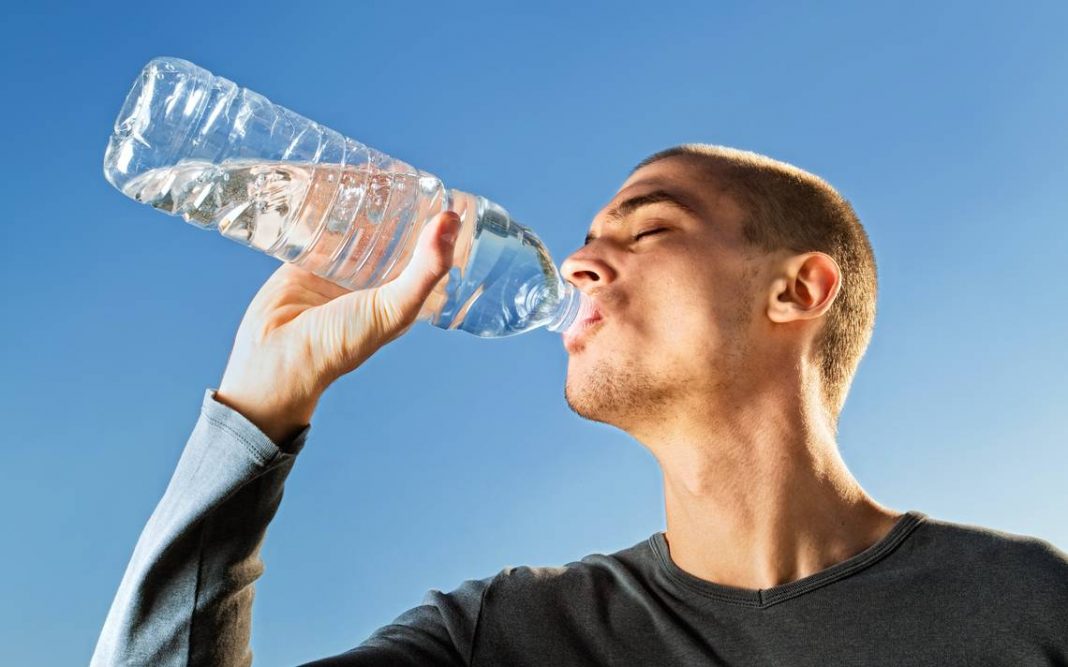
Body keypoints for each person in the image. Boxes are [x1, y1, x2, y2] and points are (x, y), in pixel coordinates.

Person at [90, 144, 1068, 666]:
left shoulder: (1026, 604)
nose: (580, 261)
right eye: (589, 237)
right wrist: (257, 410)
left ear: (796, 290)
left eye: (649, 229)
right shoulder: (509, 635)